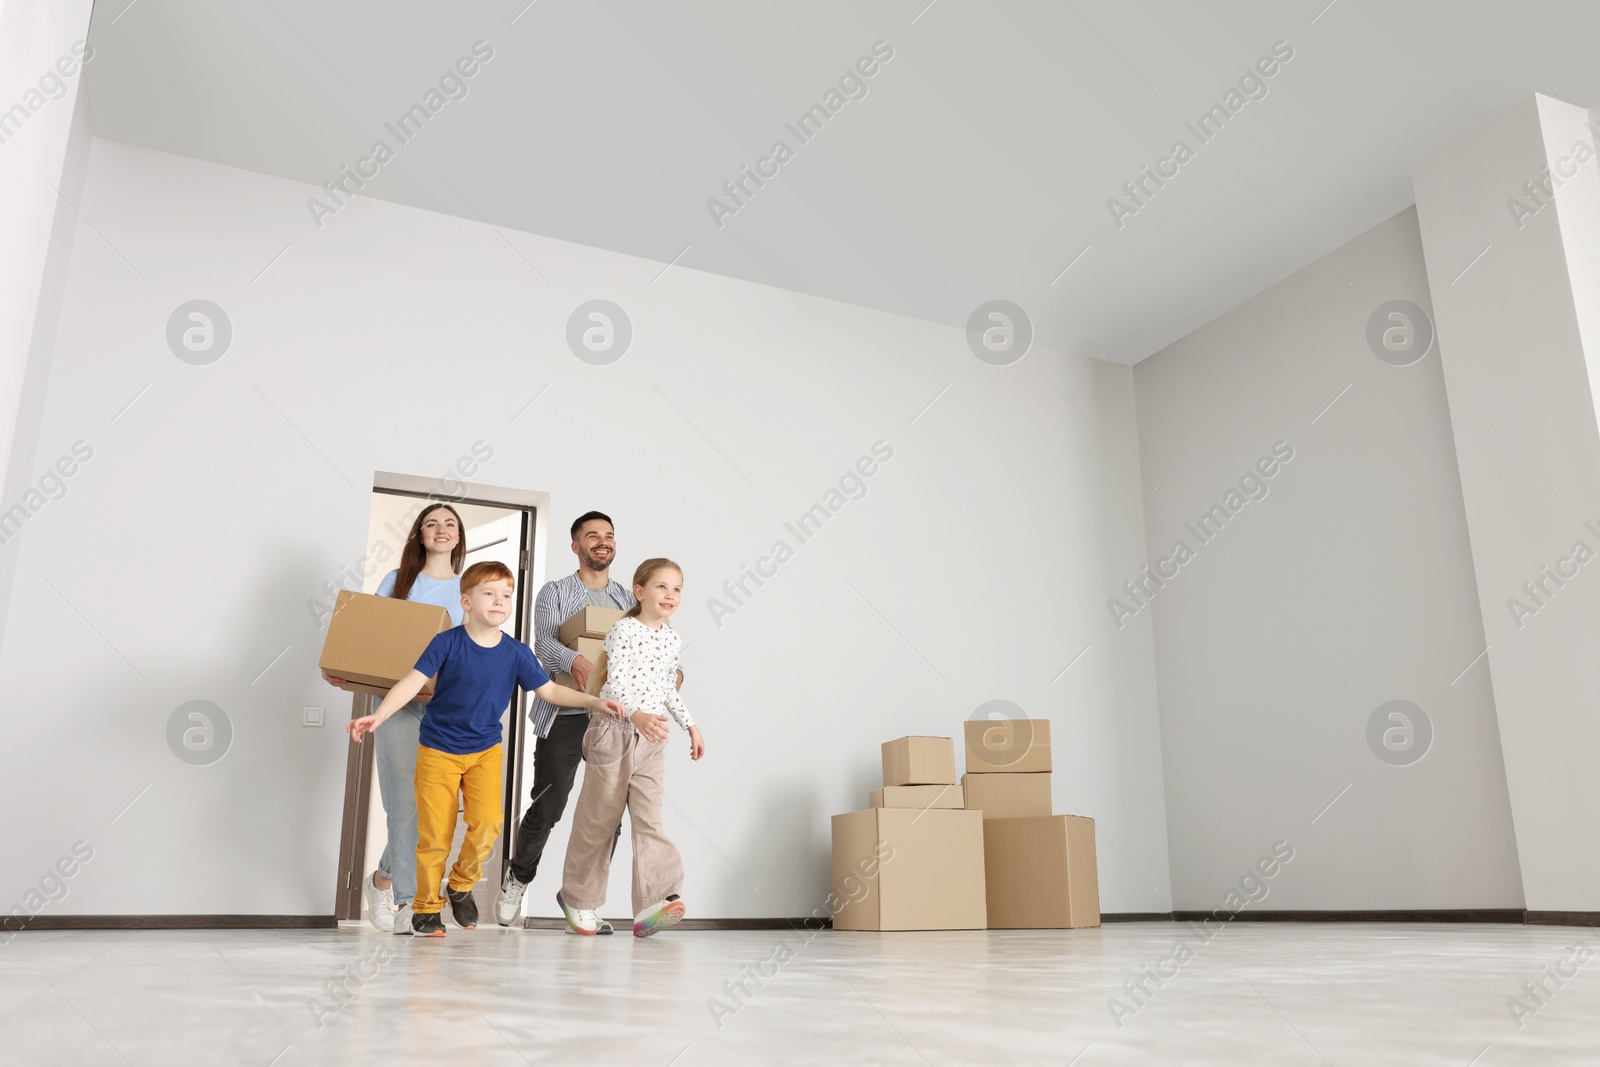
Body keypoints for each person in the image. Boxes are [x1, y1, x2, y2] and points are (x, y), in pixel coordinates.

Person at [346, 560, 623, 938]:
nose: (499, 601)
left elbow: (549, 691)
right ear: (466, 602)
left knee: (489, 823)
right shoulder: (446, 642)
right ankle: (426, 910)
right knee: (435, 835)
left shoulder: (517, 652)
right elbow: (412, 682)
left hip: (485, 751)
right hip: (438, 750)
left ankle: (460, 885)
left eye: (506, 595)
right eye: (488, 594)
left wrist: (593, 701)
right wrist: (377, 718)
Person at [495, 511, 682, 932]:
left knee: (609, 814)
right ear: (575, 546)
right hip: (564, 713)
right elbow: (542, 642)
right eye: (591, 536)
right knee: (549, 804)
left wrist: (674, 677)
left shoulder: (628, 600)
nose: (602, 541)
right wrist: (574, 659)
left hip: (616, 721)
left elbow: (657, 650)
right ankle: (519, 877)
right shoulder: (556, 592)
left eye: (609, 536)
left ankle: (583, 901)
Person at [323, 501, 464, 936]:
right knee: (404, 804)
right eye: (430, 524)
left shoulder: (468, 590)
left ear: (459, 537)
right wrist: (343, 663)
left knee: (435, 810)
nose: (440, 530)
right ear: (420, 536)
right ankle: (410, 902)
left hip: (447, 708)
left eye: (449, 524)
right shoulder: (397, 582)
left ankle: (382, 880)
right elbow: (369, 636)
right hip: (396, 703)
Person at [559, 557, 705, 939]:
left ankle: (654, 902)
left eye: (676, 589)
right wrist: (636, 716)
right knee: (599, 821)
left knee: (649, 820)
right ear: (640, 592)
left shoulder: (672, 639)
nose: (670, 595)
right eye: (661, 587)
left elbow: (666, 690)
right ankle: (578, 899)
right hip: (614, 733)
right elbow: (615, 683)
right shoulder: (624, 630)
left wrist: (690, 725)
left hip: (651, 740)